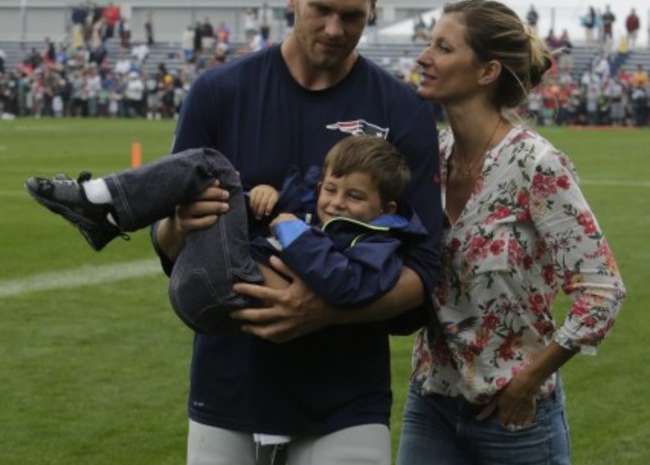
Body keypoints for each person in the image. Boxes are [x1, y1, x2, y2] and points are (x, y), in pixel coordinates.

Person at [151, 0, 442, 465]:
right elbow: (166, 246)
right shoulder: (220, 92)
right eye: (320, 8)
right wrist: (175, 226)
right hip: (230, 373)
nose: (335, 27)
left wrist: (327, 306)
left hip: (341, 387)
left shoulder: (400, 111)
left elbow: (430, 274)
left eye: (353, 13)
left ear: (375, 8)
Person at [390, 0, 626, 465]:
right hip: (432, 403)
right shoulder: (424, 161)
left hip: (519, 417)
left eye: (442, 47)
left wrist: (531, 376)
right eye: (427, 44)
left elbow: (601, 291)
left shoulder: (534, 164)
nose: (424, 57)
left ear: (487, 69)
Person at [24, 136, 429, 333]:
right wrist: (258, 199)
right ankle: (104, 207)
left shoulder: (380, 243)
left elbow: (345, 285)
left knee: (215, 167)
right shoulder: (310, 213)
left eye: (354, 196)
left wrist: (289, 227)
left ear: (387, 209)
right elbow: (271, 227)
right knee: (221, 180)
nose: (336, 203)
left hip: (231, 290)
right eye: (330, 189)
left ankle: (102, 206)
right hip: (205, 280)